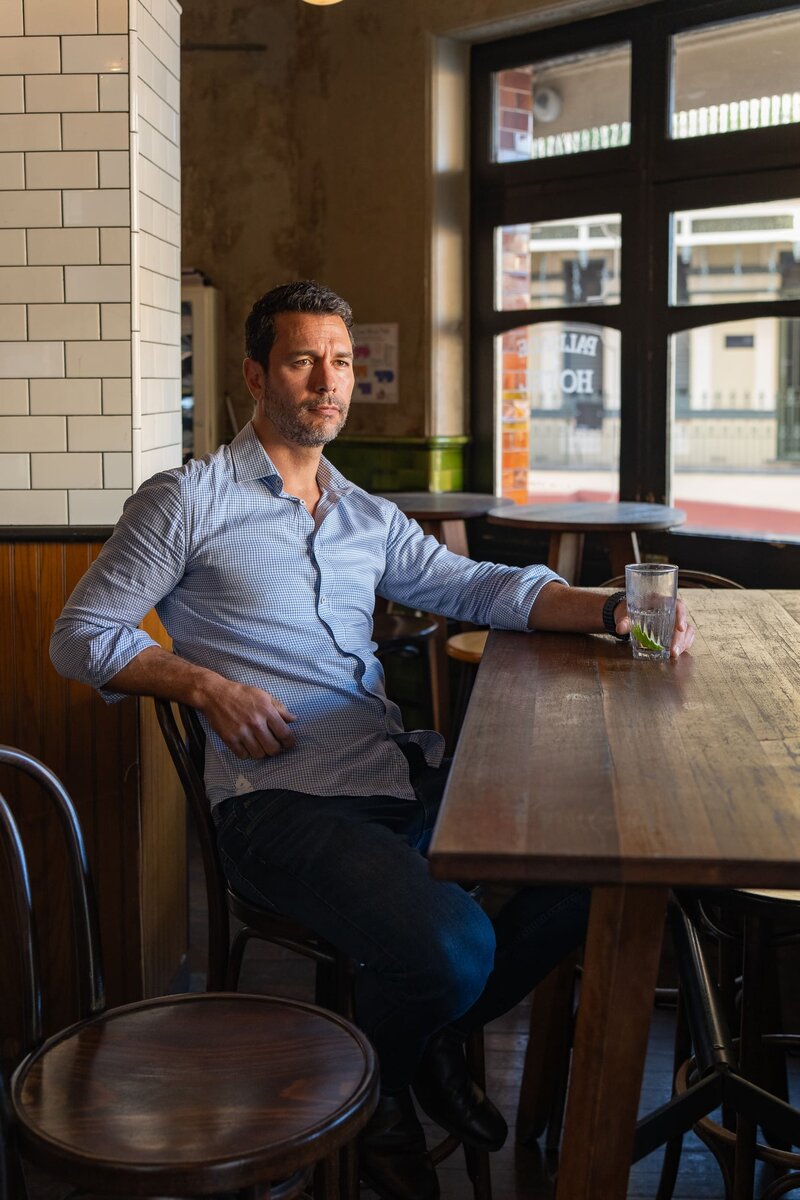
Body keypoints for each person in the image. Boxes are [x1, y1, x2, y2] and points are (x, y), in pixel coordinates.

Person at [51, 280, 694, 1200]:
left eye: (342, 361)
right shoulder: (187, 501)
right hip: (277, 803)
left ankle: (403, 1054)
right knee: (456, 949)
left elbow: (480, 589)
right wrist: (201, 683)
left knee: (606, 865)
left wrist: (612, 609)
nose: (329, 381)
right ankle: (387, 1083)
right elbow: (80, 636)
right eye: (305, 359)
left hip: (396, 776)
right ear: (256, 374)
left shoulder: (363, 513)